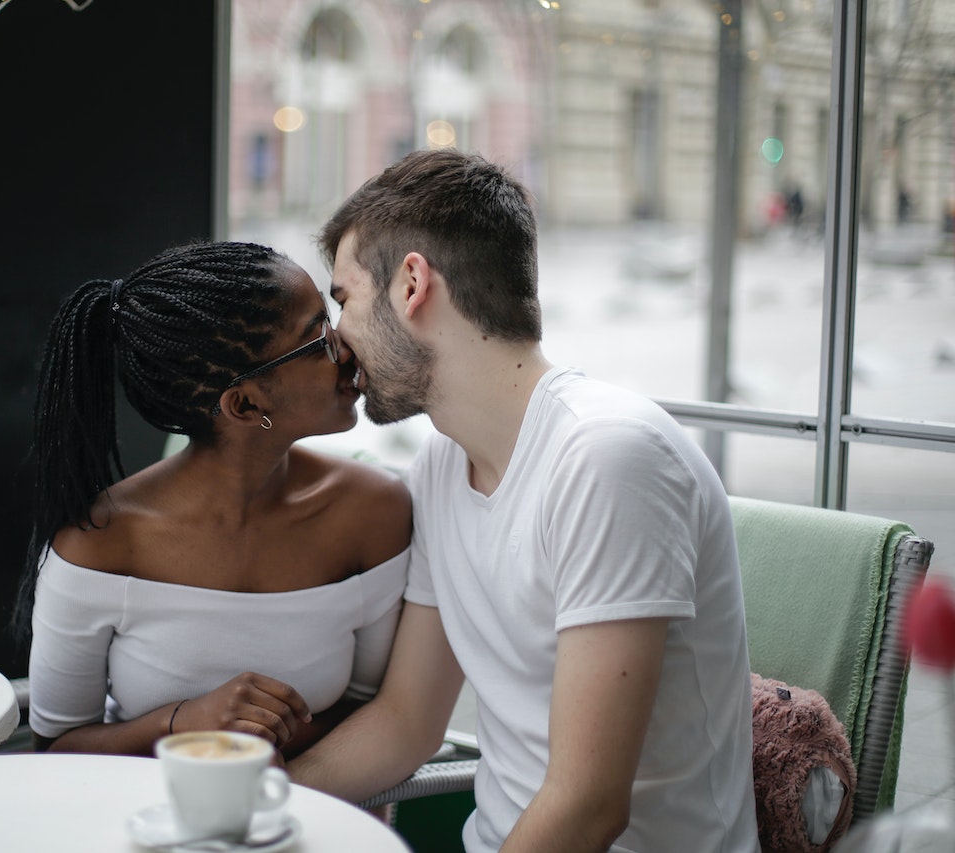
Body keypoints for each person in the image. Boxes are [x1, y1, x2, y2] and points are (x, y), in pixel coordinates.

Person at [287, 150, 761, 852]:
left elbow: (589, 806)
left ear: (412, 283)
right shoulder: (442, 467)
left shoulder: (606, 459)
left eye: (344, 299)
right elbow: (407, 722)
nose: (336, 339)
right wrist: (253, 798)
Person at [14, 241, 411, 761]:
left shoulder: (374, 513)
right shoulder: (101, 545)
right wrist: (183, 723)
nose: (347, 347)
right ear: (245, 403)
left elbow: (372, 709)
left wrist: (252, 757)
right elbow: (56, 748)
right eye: (318, 338)